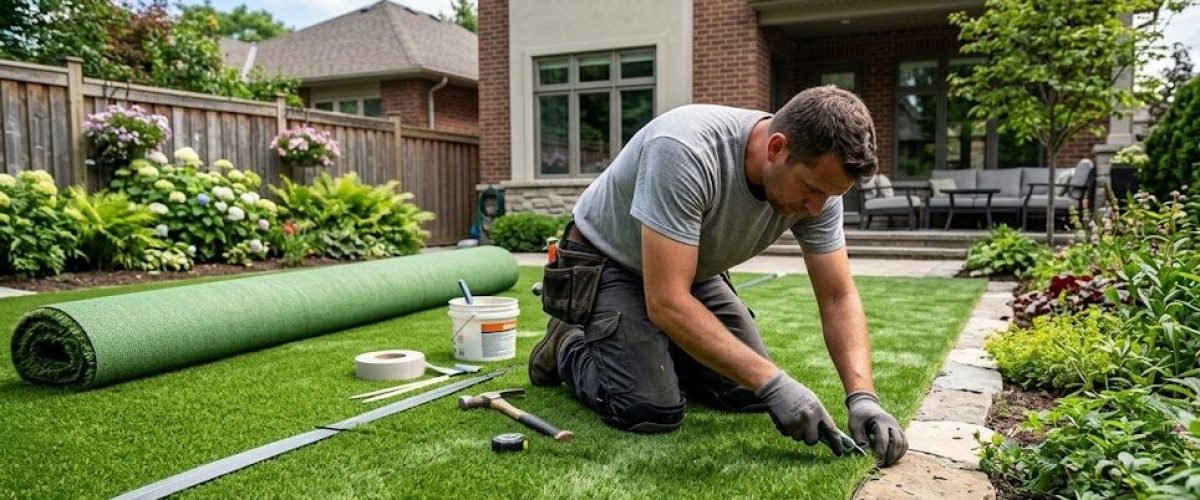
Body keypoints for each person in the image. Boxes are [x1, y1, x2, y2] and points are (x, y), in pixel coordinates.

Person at [530, 85, 908, 466]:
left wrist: (863, 397)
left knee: (747, 391)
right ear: (776, 148)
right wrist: (774, 381)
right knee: (650, 409)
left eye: (829, 195)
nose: (815, 209)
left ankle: (647, 345)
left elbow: (838, 296)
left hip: (689, 268)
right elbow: (666, 302)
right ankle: (567, 343)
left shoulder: (820, 186)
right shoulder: (685, 149)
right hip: (609, 259)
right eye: (810, 190)